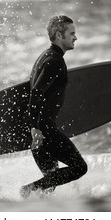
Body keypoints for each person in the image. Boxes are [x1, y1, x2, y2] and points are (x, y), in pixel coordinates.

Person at [20, 15, 88, 198]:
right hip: (44, 130)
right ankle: (27, 191)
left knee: (49, 183)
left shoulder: (45, 56)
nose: (76, 37)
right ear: (59, 35)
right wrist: (36, 128)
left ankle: (35, 210)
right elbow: (36, 93)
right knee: (79, 168)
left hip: (38, 128)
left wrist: (32, 127)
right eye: (71, 33)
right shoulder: (54, 62)